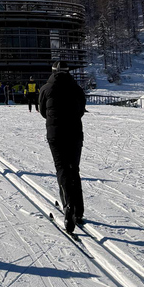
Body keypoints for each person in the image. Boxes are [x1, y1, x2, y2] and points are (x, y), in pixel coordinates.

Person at [39, 61, 87, 234]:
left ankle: (68, 206)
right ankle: (79, 211)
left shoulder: (46, 88)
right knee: (74, 168)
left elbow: (42, 111)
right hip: (74, 132)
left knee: (62, 168)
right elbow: (82, 110)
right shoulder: (76, 88)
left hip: (55, 133)